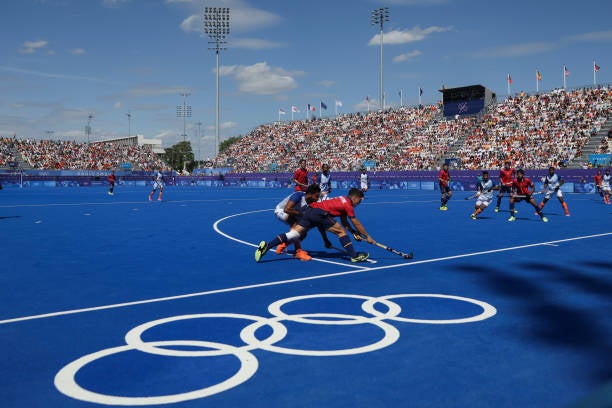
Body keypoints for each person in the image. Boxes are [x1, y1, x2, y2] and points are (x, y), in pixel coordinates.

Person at [255, 188, 371, 263]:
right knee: (341, 232)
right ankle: (354, 256)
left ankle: (267, 246)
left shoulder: (342, 200)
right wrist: (367, 237)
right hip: (318, 213)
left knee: (293, 234)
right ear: (354, 198)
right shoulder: (348, 205)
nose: (358, 204)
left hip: (310, 211)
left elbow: (343, 222)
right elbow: (355, 222)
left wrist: (354, 232)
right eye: (359, 201)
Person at [273, 185, 332, 260]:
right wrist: (302, 214)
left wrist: (325, 239)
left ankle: (283, 244)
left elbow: (318, 223)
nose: (317, 199)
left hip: (293, 213)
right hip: (281, 211)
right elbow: (287, 209)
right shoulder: (298, 195)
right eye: (316, 196)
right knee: (296, 226)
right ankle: (298, 252)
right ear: (310, 194)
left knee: (304, 231)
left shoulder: (311, 202)